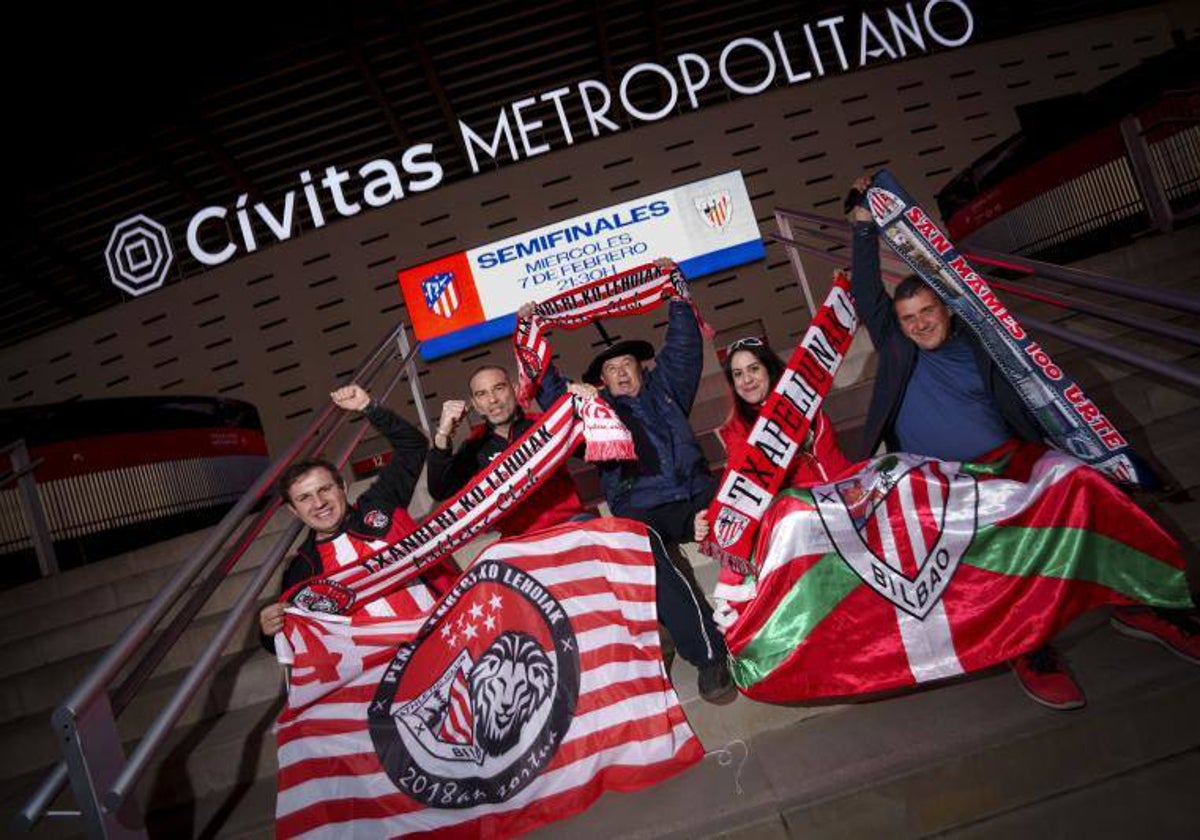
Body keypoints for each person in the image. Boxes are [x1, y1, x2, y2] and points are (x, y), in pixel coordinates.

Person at [847, 175, 1200, 709]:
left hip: (1012, 457)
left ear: (947, 310)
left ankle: (1142, 604)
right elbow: (866, 292)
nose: (919, 324)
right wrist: (862, 227)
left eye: (927, 313)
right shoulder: (898, 349)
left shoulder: (984, 343)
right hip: (948, 482)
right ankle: (1029, 646)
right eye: (908, 318)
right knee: (996, 544)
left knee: (1093, 489)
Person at [532, 264, 736, 704]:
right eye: (611, 369)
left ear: (642, 367)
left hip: (697, 491)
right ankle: (709, 655)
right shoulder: (591, 415)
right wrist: (534, 335)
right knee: (650, 563)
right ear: (599, 382)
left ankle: (777, 618)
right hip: (642, 510)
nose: (622, 374)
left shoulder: (667, 388)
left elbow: (683, 348)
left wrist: (676, 293)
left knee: (751, 510)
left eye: (628, 365)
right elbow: (550, 397)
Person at [259, 385, 458, 648]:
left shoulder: (381, 503)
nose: (319, 503)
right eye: (305, 498)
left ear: (342, 486)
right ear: (293, 510)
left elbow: (413, 446)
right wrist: (267, 632)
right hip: (396, 674)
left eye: (324, 489)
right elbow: (296, 640)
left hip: (453, 629)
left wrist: (369, 407)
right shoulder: (303, 569)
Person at [694, 337, 856, 545]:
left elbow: (830, 458)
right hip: (798, 530)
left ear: (769, 369)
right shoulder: (737, 430)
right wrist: (710, 518)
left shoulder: (804, 404)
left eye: (753, 369)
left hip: (841, 508)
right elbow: (736, 483)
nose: (747, 380)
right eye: (738, 374)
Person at [425, 364, 590, 536]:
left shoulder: (546, 424)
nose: (492, 400)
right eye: (482, 394)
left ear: (515, 390)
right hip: (519, 544)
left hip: (571, 526)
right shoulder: (474, 447)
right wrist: (442, 434)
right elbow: (440, 490)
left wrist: (586, 406)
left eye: (499, 388)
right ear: (476, 405)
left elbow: (593, 450)